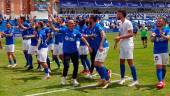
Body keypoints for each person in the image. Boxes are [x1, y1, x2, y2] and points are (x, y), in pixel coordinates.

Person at [49, 16, 92, 87]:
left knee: (76, 66)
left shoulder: (76, 31)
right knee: (66, 66)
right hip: (66, 52)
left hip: (74, 52)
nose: (72, 24)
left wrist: (88, 45)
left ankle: (74, 79)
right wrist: (50, 23)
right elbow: (54, 29)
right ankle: (63, 78)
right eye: (70, 23)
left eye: (73, 23)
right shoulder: (64, 30)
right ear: (68, 24)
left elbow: (83, 38)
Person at [114, 10, 138, 87]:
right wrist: (116, 43)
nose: (117, 15)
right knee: (121, 61)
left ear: (122, 15)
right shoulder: (120, 23)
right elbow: (120, 33)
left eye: (118, 14)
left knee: (130, 62)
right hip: (122, 44)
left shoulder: (128, 22)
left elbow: (131, 34)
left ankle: (135, 80)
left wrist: (120, 37)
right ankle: (122, 78)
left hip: (128, 45)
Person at [87, 15, 111, 89]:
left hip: (103, 47)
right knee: (95, 63)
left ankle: (107, 80)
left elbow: (103, 35)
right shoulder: (93, 28)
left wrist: (101, 45)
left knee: (99, 63)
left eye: (89, 18)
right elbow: (94, 37)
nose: (88, 19)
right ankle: (103, 78)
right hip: (98, 48)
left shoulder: (97, 26)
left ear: (92, 19)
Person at [150, 17, 170, 90]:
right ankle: (160, 81)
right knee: (159, 67)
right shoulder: (154, 30)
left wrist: (163, 35)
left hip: (165, 51)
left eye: (160, 21)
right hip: (156, 51)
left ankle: (162, 80)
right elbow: (151, 40)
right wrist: (153, 37)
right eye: (157, 21)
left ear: (163, 23)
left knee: (164, 67)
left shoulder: (167, 30)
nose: (158, 22)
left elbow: (168, 38)